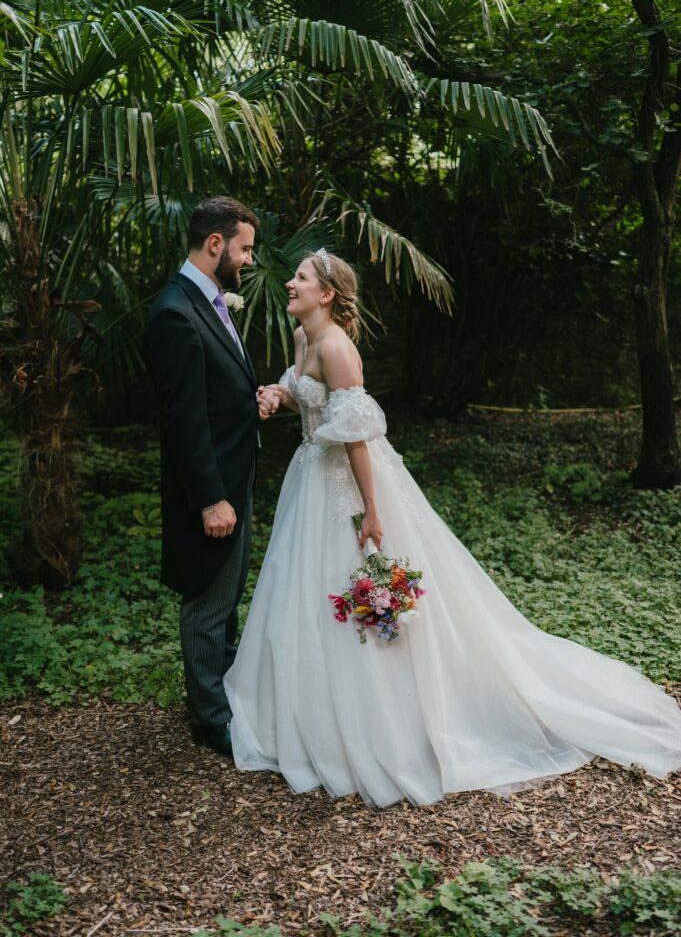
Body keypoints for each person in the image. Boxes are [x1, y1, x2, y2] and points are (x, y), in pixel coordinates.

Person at [223, 248, 681, 807]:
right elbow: (306, 390)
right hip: (312, 477)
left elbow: (358, 434)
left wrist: (372, 511)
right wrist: (280, 392)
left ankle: (380, 722)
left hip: (346, 482)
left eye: (300, 278)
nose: (289, 284)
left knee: (351, 588)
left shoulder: (339, 348)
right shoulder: (304, 339)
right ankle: (303, 713)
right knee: (305, 597)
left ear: (327, 295)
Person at [144, 196, 278, 758]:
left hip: (234, 476)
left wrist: (250, 401)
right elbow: (183, 420)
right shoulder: (175, 312)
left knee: (226, 598)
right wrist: (210, 501)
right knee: (206, 598)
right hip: (213, 489)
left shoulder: (209, 302)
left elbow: (211, 391)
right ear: (216, 244)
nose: (248, 260)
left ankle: (222, 693)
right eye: (244, 248)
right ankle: (209, 719)